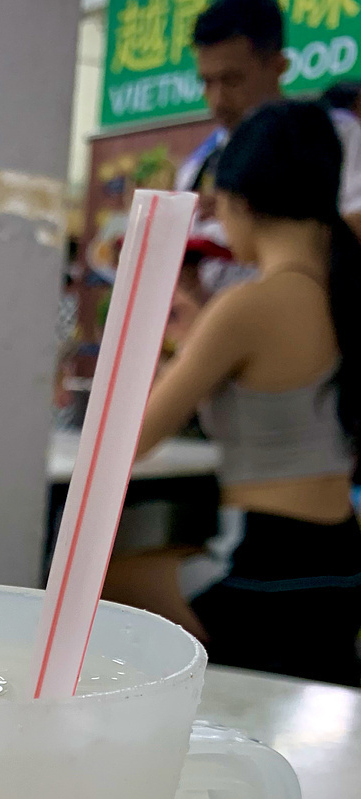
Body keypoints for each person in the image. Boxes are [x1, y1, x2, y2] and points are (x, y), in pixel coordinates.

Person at [136, 101, 361, 687]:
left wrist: (189, 342)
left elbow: (130, 439)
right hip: (340, 564)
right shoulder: (345, 293)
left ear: (237, 200)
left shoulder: (250, 304)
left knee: (91, 581)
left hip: (263, 568)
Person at [176, 0, 361, 260]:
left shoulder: (337, 136)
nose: (217, 100)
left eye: (232, 80)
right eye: (206, 82)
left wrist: (263, 217)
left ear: (278, 66)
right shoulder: (197, 169)